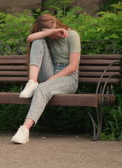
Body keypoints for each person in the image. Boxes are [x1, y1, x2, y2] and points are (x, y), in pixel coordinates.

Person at [11, 14, 81, 144]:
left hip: (68, 78)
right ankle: (32, 82)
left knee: (42, 88)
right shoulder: (49, 36)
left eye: (52, 32)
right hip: (50, 72)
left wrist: (51, 79)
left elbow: (73, 66)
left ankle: (25, 129)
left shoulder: (72, 36)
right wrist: (52, 31)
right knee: (37, 41)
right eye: (48, 34)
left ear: (57, 24)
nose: (52, 37)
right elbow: (30, 38)